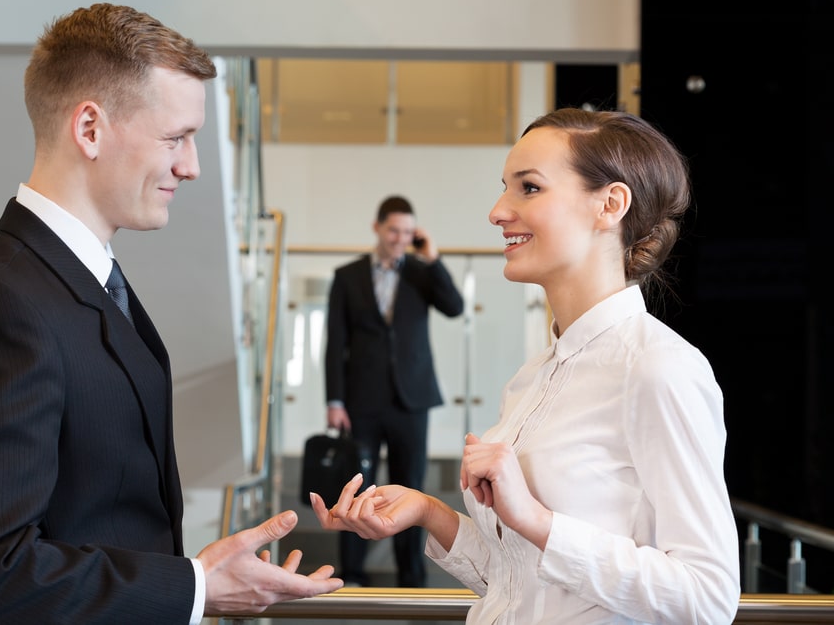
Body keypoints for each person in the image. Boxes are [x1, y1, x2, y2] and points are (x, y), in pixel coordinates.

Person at [0, 3, 342, 624]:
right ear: (89, 128)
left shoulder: (82, 279)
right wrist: (195, 587)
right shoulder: (1, 302)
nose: (190, 166)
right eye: (176, 138)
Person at [312, 108, 741, 623]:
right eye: (504, 188)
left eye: (529, 188)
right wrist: (430, 512)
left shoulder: (658, 369)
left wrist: (537, 520)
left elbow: (708, 598)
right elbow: (520, 583)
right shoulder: (529, 379)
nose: (497, 211)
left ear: (610, 204)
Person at [324, 195, 464, 587]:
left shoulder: (422, 272)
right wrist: (334, 400)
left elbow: (454, 307)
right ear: (377, 228)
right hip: (360, 403)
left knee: (411, 490)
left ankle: (411, 577)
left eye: (407, 232)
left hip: (411, 401)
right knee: (354, 490)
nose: (400, 239)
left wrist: (433, 259)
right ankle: (351, 576)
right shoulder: (347, 275)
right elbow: (335, 342)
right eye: (393, 231)